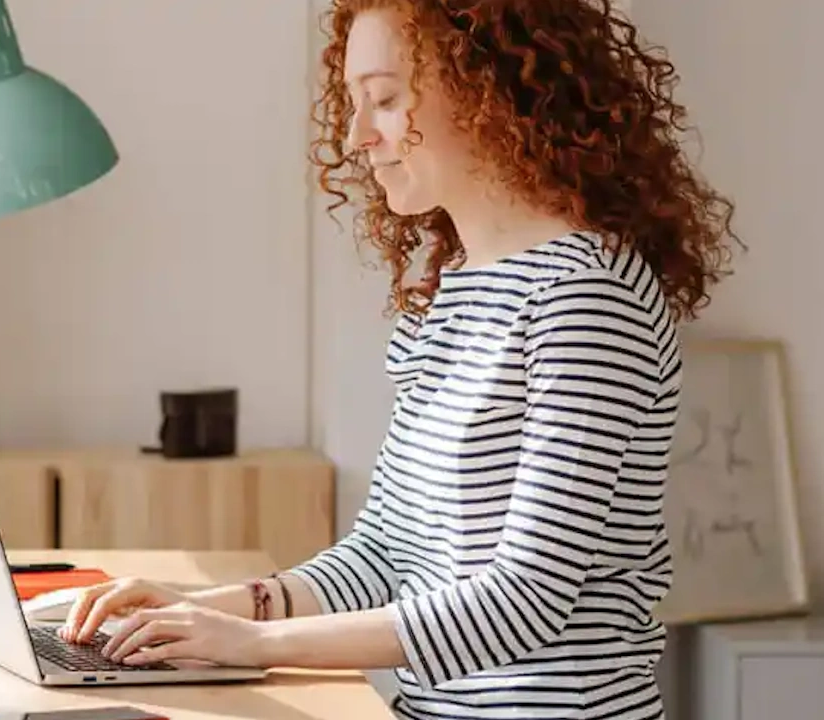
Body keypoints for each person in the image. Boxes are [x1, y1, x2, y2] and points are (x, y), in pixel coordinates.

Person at [60, 0, 739, 717]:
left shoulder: (586, 297)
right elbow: (385, 553)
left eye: (384, 99)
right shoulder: (460, 289)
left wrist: (252, 643)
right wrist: (205, 609)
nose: (357, 137)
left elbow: (525, 601)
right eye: (354, 104)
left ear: (489, 88)